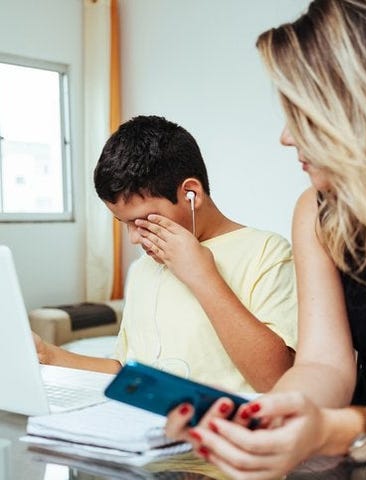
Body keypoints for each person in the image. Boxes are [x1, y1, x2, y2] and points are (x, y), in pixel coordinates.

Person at [164, 1, 366, 477]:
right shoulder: (315, 210)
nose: (286, 138)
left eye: (302, 116)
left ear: (360, 108)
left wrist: (334, 429)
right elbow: (325, 365)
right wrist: (264, 419)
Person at [35, 115, 297, 393]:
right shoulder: (143, 269)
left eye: (143, 221)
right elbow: (127, 371)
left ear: (191, 194)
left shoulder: (267, 253)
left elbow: (276, 380)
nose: (135, 237)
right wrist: (48, 356)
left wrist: (202, 276)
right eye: (125, 224)